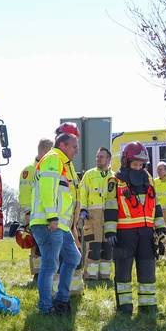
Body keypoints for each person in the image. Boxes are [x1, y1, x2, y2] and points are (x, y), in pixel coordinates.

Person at [104, 142, 165, 315]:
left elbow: (156, 205)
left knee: (147, 269)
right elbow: (110, 207)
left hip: (146, 233)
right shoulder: (115, 181)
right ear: (126, 162)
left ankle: (148, 306)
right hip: (124, 233)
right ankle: (124, 307)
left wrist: (161, 229)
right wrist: (110, 231)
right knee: (123, 272)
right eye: (135, 164)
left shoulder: (149, 179)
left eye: (141, 164)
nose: (138, 167)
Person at [29, 131, 81, 314]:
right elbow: (46, 189)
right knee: (50, 265)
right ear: (63, 145)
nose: (77, 150)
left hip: (60, 225)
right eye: (74, 146)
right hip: (49, 222)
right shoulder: (53, 159)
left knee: (74, 258)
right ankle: (45, 307)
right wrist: (52, 216)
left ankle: (61, 300)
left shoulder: (64, 163)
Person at [77, 147, 115, 284]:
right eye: (97, 156)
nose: (98, 159)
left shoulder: (114, 176)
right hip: (92, 216)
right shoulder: (89, 174)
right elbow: (83, 192)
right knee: (94, 246)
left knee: (108, 247)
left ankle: (105, 276)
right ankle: (90, 276)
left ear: (109, 159)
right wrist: (83, 209)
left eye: (102, 157)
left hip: (110, 216)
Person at [18, 139, 54, 279]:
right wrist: (27, 213)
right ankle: (38, 276)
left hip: (49, 215)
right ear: (45, 151)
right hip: (35, 216)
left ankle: (47, 274)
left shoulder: (48, 168)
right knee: (37, 247)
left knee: (48, 246)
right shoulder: (29, 171)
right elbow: (25, 193)